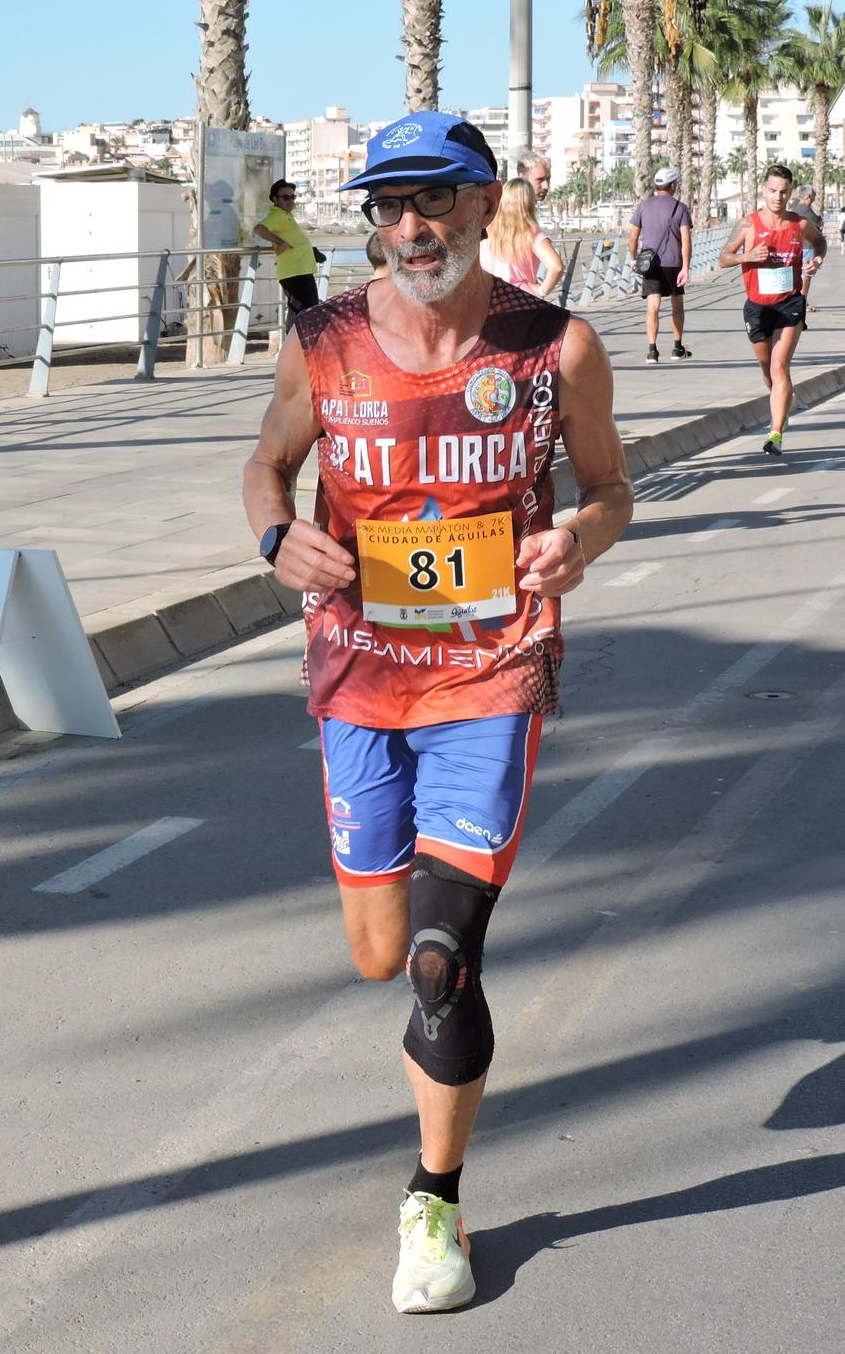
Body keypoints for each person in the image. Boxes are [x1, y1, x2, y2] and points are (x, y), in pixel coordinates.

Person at [242, 110, 631, 1314]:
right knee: (375, 955)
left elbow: (611, 489)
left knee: (435, 961)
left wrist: (576, 542)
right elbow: (264, 464)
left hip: (489, 673)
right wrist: (274, 535)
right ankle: (426, 992)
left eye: (433, 200)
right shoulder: (321, 340)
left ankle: (434, 1202)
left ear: (483, 202)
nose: (408, 227)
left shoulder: (553, 348)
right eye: (386, 207)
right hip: (357, 671)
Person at [718, 163, 824, 456]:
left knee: (780, 366)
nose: (778, 197)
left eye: (784, 192)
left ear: (790, 194)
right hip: (757, 307)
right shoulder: (748, 224)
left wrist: (817, 261)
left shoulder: (799, 224)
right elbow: (722, 258)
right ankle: (781, 403)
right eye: (773, 191)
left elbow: (820, 243)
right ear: (765, 191)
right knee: (767, 368)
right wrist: (748, 256)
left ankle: (775, 433)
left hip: (790, 303)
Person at [628, 165, 693, 363]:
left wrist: (633, 259)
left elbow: (633, 238)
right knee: (677, 305)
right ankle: (677, 347)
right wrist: (685, 268)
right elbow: (686, 240)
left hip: (650, 264)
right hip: (673, 264)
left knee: (652, 307)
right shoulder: (680, 207)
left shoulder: (643, 206)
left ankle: (652, 351)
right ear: (673, 185)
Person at [478, 177, 563, 299]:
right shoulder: (532, 234)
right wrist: (541, 291)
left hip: (489, 298)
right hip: (521, 299)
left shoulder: (486, 229)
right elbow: (556, 267)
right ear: (528, 203)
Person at [255, 179, 323, 320]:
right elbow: (259, 229)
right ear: (275, 199)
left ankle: (300, 340)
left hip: (302, 271)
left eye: (293, 197)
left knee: (308, 310)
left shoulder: (286, 216)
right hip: (294, 272)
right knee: (300, 312)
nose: (290, 200)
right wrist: (280, 242)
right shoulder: (277, 215)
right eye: (285, 197)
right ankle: (293, 341)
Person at [793, 186, 825, 328]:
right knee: (806, 276)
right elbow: (817, 221)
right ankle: (802, 302)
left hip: (801, 245)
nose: (814, 199)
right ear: (807, 197)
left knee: (802, 275)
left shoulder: (795, 207)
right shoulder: (804, 209)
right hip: (807, 245)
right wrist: (819, 221)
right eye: (813, 196)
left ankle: (801, 301)